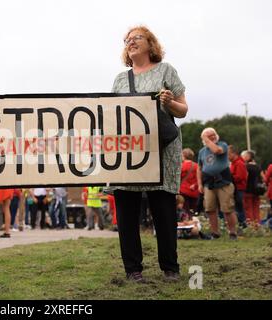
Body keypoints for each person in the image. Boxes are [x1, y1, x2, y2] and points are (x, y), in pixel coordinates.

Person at [107, 26, 188, 283]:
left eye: (136, 38)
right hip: (129, 152)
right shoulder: (120, 79)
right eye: (126, 40)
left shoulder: (166, 70)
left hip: (161, 151)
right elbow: (111, 114)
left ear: (150, 43)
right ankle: (133, 269)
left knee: (163, 209)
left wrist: (169, 103)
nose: (130, 42)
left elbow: (183, 110)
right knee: (126, 209)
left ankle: (170, 268)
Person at [196, 128, 238, 240]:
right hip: (209, 183)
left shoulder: (222, 145)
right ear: (204, 139)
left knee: (227, 208)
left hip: (223, 181)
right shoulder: (202, 152)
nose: (213, 137)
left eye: (214, 135)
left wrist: (207, 139)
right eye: (210, 136)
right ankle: (215, 233)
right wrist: (200, 184)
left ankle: (232, 233)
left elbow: (217, 151)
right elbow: (199, 168)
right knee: (210, 209)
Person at [228, 145, 248, 229]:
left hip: (239, 188)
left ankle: (242, 224)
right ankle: (241, 224)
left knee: (239, 207)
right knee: (238, 207)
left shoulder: (239, 163)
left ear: (234, 154)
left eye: (228, 154)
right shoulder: (234, 163)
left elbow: (240, 177)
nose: (227, 157)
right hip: (236, 188)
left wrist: (229, 177)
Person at [242, 150, 263, 227]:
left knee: (248, 210)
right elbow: (263, 177)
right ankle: (257, 226)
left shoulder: (246, 167)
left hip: (247, 191)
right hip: (257, 191)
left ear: (247, 157)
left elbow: (245, 178)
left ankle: (251, 227)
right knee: (256, 209)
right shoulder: (258, 167)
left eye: (243, 156)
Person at [180, 148, 199, 213]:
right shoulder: (197, 165)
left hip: (183, 191)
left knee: (185, 211)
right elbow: (200, 178)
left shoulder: (181, 166)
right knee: (193, 211)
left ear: (184, 155)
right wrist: (195, 185)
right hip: (194, 191)